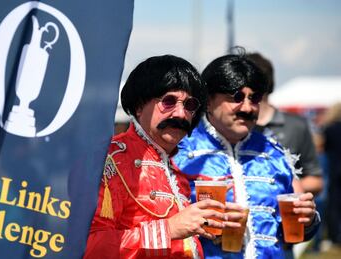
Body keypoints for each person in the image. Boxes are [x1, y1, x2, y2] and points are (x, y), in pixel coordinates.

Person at [84, 55, 243, 258]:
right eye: (168, 101)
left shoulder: (174, 165)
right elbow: (90, 246)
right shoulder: (110, 160)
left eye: (190, 105)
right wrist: (168, 229)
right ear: (139, 105)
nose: (181, 114)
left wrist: (210, 224)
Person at [174, 52, 320, 258]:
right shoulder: (178, 152)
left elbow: (294, 233)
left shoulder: (275, 153)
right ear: (207, 101)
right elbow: (159, 225)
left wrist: (310, 219)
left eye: (255, 98)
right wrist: (202, 227)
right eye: (237, 97)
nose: (247, 107)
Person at [248, 52, 323, 196]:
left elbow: (316, 180)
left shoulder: (296, 125)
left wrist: (277, 186)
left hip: (284, 212)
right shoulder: (235, 127)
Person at [322, 102, 341, 245]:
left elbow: (325, 148)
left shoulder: (329, 129)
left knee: (333, 203)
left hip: (335, 169)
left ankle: (334, 235)